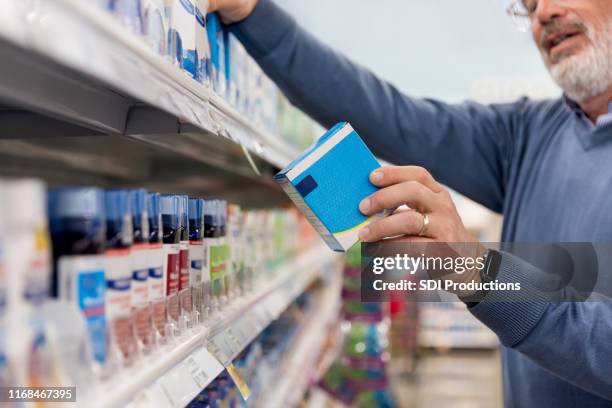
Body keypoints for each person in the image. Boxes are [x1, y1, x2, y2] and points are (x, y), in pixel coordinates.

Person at [208, 0, 612, 406]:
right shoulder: (529, 135)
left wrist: (481, 273)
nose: (543, 12)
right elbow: (390, 116)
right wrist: (253, 14)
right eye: (529, 4)